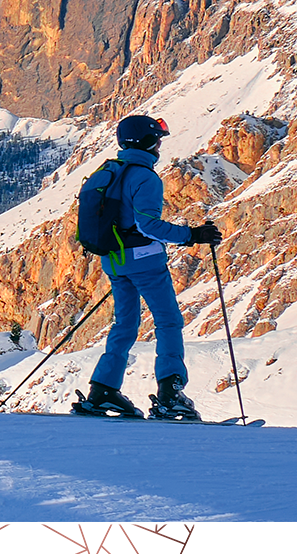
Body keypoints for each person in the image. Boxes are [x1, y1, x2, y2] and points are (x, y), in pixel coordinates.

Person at [78, 114, 221, 419]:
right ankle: (170, 392)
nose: (159, 146)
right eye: (156, 139)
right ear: (147, 142)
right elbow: (148, 226)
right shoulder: (145, 177)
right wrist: (193, 235)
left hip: (113, 261)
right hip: (145, 262)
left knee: (125, 324)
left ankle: (103, 390)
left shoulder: (108, 171)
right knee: (168, 321)